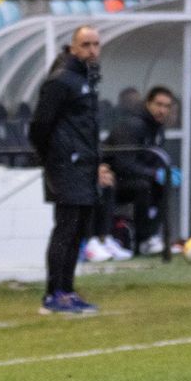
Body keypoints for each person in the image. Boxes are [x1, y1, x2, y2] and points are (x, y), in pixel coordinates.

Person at [28, 24, 111, 315]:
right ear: (73, 48)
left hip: (84, 166)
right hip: (67, 166)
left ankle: (68, 290)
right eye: (86, 45)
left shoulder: (86, 80)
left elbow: (85, 129)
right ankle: (54, 294)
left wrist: (96, 161)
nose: (92, 50)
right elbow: (39, 126)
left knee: (77, 230)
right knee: (65, 228)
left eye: (96, 44)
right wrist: (55, 157)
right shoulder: (61, 81)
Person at [105, 85, 177, 258]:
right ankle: (143, 239)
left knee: (164, 185)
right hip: (113, 178)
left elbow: (152, 159)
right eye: (158, 104)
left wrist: (162, 172)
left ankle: (151, 236)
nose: (162, 110)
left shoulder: (157, 129)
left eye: (167, 106)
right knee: (143, 186)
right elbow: (123, 163)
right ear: (148, 104)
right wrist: (154, 174)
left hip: (136, 178)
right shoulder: (133, 125)